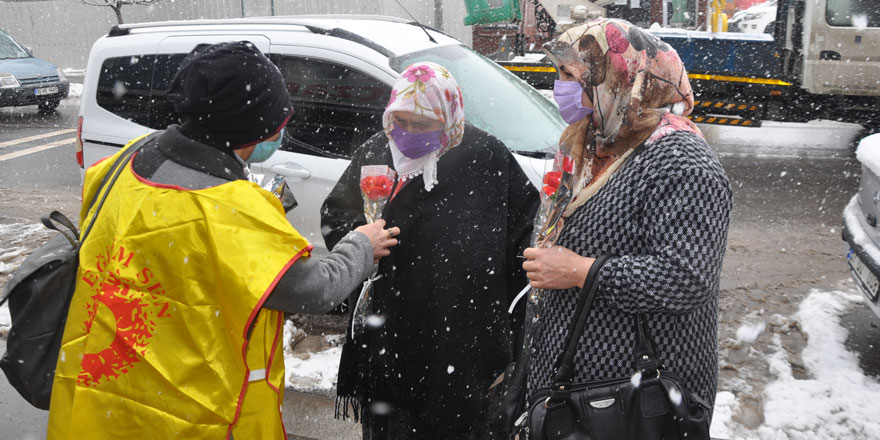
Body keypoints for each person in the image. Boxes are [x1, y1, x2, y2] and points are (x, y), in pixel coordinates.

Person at [46, 41, 399, 440]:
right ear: (252, 127)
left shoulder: (123, 161)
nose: (282, 130)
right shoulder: (231, 208)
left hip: (101, 383)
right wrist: (360, 246)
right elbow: (312, 290)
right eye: (278, 122)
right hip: (186, 406)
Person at [522, 18, 732, 417]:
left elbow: (687, 279)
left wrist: (582, 271)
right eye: (559, 73)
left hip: (639, 402)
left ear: (621, 79)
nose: (560, 86)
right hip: (582, 392)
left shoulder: (682, 162)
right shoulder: (594, 141)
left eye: (571, 74)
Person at [321, 62, 539, 440]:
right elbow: (336, 215)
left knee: (461, 420)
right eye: (399, 121)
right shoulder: (377, 152)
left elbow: (525, 231)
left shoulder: (485, 156)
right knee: (395, 423)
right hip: (393, 326)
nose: (406, 134)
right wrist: (361, 241)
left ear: (448, 119)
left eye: (422, 125)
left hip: (464, 330)